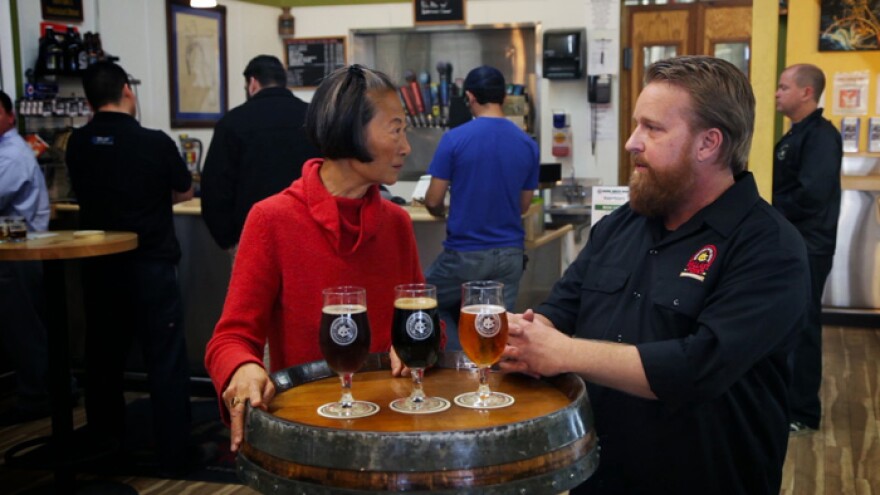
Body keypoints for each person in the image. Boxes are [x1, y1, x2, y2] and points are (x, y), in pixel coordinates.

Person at [499, 56, 810, 495]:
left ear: (709, 144)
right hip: (598, 477)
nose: (631, 143)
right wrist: (525, 334)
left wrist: (563, 353)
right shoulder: (620, 224)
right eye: (634, 126)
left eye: (652, 128)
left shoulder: (770, 248)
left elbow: (697, 367)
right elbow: (562, 309)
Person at [204, 64, 426, 452]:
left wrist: (412, 343)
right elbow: (231, 338)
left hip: (393, 429)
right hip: (310, 432)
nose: (406, 146)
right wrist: (242, 367)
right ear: (351, 130)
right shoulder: (272, 219)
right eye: (396, 129)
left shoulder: (396, 223)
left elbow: (423, 322)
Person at [65, 61, 194, 475]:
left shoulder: (77, 143)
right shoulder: (155, 142)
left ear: (88, 101)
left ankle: (106, 449)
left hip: (99, 266)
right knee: (165, 362)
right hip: (151, 264)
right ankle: (175, 454)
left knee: (103, 360)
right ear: (127, 91)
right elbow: (184, 191)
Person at [423, 65, 539, 350]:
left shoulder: (454, 139)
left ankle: (459, 360)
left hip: (465, 255)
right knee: (493, 330)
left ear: (470, 97)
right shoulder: (527, 143)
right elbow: (523, 205)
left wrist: (443, 211)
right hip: (511, 256)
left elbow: (434, 200)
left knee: (422, 304)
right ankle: (489, 381)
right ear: (503, 98)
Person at [773, 63, 842, 434]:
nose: (777, 94)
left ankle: (802, 411)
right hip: (795, 243)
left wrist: (768, 207)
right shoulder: (796, 135)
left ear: (806, 92)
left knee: (803, 326)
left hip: (810, 246)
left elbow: (810, 195)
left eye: (784, 87)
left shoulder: (821, 137)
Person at [201, 54, 319, 253]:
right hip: (310, 234)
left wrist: (228, 240)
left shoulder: (231, 123)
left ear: (252, 83)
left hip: (252, 237)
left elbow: (215, 189)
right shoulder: (314, 118)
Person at [0, 89, 52, 425]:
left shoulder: (14, 154)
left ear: (10, 116)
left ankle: (39, 394)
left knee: (25, 329)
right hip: (15, 250)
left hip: (21, 251)